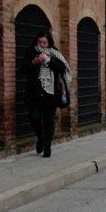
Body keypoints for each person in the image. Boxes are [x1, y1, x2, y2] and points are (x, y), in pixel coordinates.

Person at [25, 30, 68, 158]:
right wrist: (34, 63)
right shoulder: (31, 52)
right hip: (34, 92)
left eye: (44, 42)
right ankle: (41, 137)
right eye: (40, 42)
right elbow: (22, 68)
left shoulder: (54, 53)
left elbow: (62, 68)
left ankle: (47, 147)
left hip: (51, 93)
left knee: (49, 121)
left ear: (49, 42)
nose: (42, 45)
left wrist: (48, 60)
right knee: (34, 118)